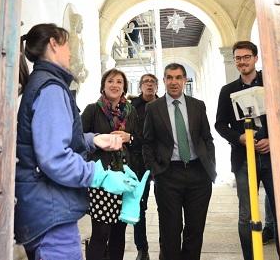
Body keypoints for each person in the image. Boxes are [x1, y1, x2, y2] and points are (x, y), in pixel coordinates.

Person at [14, 23, 139, 260]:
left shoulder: (45, 82)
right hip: (51, 211)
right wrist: (100, 176)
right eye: (68, 45)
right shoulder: (51, 88)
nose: (72, 52)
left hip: (45, 206)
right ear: (53, 44)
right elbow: (55, 158)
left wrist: (93, 139)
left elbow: (49, 138)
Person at [142, 63, 216, 260]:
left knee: (195, 229)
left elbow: (207, 138)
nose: (173, 82)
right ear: (164, 81)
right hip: (168, 174)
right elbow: (147, 143)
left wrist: (210, 166)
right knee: (170, 229)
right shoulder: (153, 108)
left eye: (178, 77)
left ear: (184, 80)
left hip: (198, 174)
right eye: (169, 77)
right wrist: (155, 170)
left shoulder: (197, 106)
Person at [215, 40, 280, 260]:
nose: (242, 62)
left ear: (255, 58)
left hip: (272, 157)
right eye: (238, 58)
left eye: (246, 57)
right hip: (243, 159)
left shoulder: (270, 83)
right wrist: (240, 137)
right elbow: (220, 124)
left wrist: (273, 139)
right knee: (246, 215)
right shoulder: (227, 91)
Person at [81, 68, 137, 260]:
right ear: (103, 86)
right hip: (102, 179)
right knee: (101, 232)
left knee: (119, 232)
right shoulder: (92, 109)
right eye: (110, 81)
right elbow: (79, 139)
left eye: (119, 82)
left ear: (124, 88)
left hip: (124, 179)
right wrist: (99, 142)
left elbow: (141, 140)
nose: (115, 85)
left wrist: (129, 137)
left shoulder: (131, 111)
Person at [128, 73, 159, 260]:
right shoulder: (132, 108)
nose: (149, 85)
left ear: (157, 86)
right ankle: (142, 248)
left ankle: (167, 245)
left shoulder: (164, 104)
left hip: (163, 161)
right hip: (139, 163)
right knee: (139, 206)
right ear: (140, 86)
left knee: (167, 206)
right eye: (145, 82)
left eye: (152, 82)